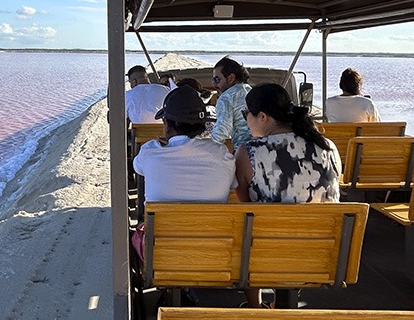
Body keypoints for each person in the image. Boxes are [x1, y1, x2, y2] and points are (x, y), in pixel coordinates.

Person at [234, 83, 342, 307]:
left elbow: (244, 204)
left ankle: (256, 307)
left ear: (262, 116)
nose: (246, 119)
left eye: (246, 114)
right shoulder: (328, 146)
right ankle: (282, 305)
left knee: (243, 230)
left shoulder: (250, 151)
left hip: (269, 254)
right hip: (325, 251)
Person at [131, 86, 236, 255]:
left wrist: (163, 148)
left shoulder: (150, 152)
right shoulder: (221, 153)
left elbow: (137, 167)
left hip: (162, 256)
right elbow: (233, 182)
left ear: (167, 124)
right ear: (203, 124)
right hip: (215, 255)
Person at [210, 56, 252, 151]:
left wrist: (208, 148)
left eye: (217, 79)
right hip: (262, 149)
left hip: (244, 151)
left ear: (231, 78)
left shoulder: (226, 97)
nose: (215, 85)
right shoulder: (250, 90)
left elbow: (222, 129)